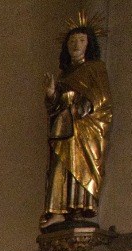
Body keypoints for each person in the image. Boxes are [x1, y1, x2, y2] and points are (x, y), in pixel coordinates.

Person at [42, 19, 111, 230]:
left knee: (82, 166)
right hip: (64, 128)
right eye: (72, 40)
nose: (76, 44)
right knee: (59, 167)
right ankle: (59, 211)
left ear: (89, 44)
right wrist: (52, 93)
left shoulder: (95, 68)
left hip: (84, 129)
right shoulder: (65, 75)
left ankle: (81, 206)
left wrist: (82, 107)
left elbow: (102, 97)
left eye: (81, 40)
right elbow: (55, 106)